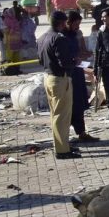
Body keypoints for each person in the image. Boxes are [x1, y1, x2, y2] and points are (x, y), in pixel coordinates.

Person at [38, 11, 79, 159]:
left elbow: (40, 60)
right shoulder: (59, 39)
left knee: (55, 114)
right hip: (60, 79)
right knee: (62, 116)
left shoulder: (42, 38)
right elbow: (64, 62)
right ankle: (62, 150)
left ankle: (62, 145)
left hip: (48, 77)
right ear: (61, 23)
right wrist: (75, 62)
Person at [66, 11, 97, 144]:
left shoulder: (75, 35)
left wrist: (84, 57)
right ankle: (65, 135)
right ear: (68, 22)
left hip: (77, 73)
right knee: (69, 106)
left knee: (79, 104)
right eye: (76, 24)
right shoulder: (61, 37)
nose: (78, 27)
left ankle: (81, 132)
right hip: (68, 76)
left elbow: (79, 53)